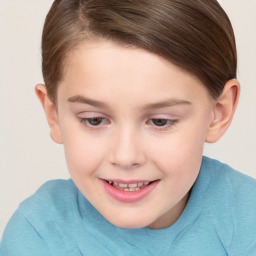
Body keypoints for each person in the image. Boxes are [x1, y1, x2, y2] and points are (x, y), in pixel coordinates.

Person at [1, 0, 256, 255]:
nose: (125, 156)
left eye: (160, 121)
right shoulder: (37, 235)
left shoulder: (248, 224)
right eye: (94, 120)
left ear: (218, 112)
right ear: (53, 114)